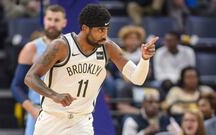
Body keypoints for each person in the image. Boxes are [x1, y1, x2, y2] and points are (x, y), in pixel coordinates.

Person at [24, 4, 158, 134]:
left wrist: (145, 59)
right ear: (85, 28)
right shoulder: (61, 46)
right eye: (100, 29)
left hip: (81, 121)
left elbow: (138, 79)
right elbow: (30, 77)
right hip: (52, 119)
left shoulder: (108, 47)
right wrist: (54, 95)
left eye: (107, 29)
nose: (105, 35)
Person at [10, 5, 67, 135]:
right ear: (44, 20)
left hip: (64, 112)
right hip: (39, 110)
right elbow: (16, 86)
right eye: (49, 19)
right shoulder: (32, 48)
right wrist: (32, 110)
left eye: (56, 20)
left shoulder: (72, 47)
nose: (52, 24)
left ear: (64, 22)